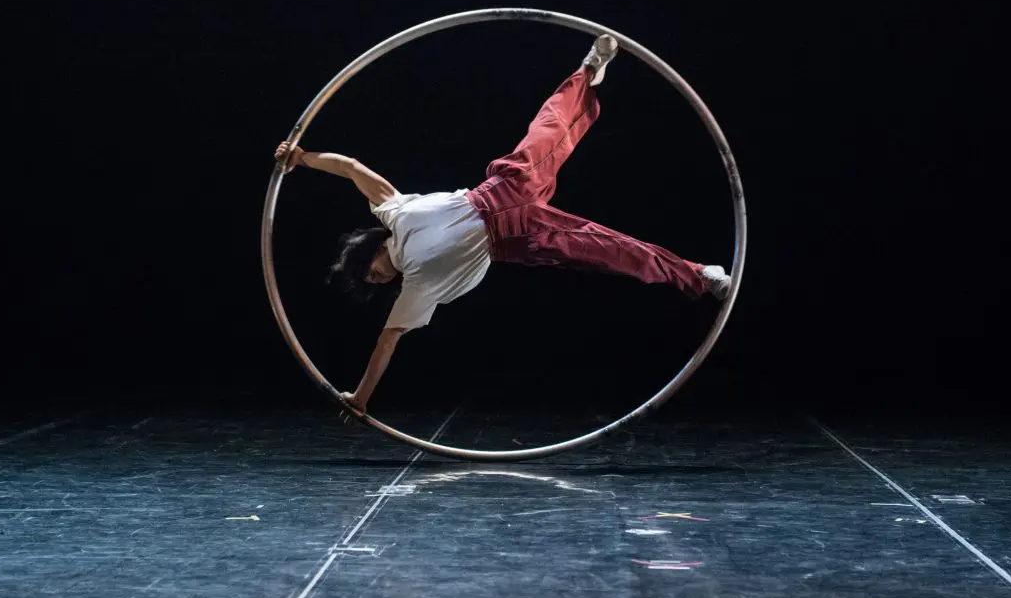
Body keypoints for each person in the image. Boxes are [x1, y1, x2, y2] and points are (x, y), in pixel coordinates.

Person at [274, 35, 731, 416]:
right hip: (518, 237)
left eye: (367, 266)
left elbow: (352, 167)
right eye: (372, 281)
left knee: (549, 126)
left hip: (505, 188)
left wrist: (302, 158)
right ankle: (698, 275)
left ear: (372, 246)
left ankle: (589, 71)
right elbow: (387, 340)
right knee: (614, 250)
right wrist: (361, 397)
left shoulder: (393, 212)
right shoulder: (416, 284)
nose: (374, 275)